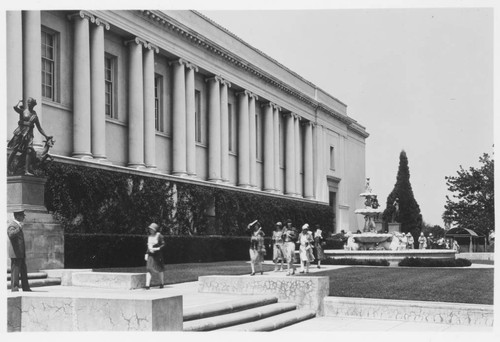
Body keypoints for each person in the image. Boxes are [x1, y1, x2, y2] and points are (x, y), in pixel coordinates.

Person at [8, 98, 52, 176]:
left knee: (29, 150)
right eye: (28, 102)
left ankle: (26, 171)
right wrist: (18, 102)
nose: (29, 104)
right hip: (20, 132)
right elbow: (15, 108)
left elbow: (39, 128)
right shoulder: (23, 111)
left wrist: (46, 136)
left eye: (30, 103)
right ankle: (7, 167)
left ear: (33, 105)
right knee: (14, 150)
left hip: (29, 135)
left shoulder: (35, 116)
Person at [7, 210, 32, 292]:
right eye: (22, 216)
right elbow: (11, 235)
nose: (24, 217)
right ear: (17, 216)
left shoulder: (17, 225)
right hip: (15, 253)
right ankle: (14, 288)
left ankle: (26, 287)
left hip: (20, 253)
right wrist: (19, 228)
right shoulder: (13, 225)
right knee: (15, 271)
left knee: (23, 271)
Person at [144, 223, 165, 289]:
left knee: (159, 269)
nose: (150, 230)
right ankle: (147, 285)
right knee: (149, 269)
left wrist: (157, 248)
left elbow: (163, 244)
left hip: (157, 256)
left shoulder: (159, 236)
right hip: (151, 255)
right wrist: (147, 253)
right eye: (150, 229)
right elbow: (149, 246)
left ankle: (162, 283)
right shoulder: (149, 236)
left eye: (152, 229)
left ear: (155, 229)